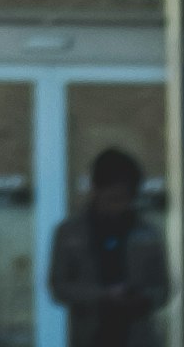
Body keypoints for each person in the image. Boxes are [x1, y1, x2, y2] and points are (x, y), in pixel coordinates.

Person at [47, 141, 174, 344]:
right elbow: (59, 287)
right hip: (91, 336)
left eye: (126, 199)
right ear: (96, 191)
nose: (120, 206)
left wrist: (140, 297)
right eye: (113, 198)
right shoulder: (70, 233)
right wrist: (103, 296)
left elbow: (164, 288)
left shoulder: (147, 233)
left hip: (137, 335)